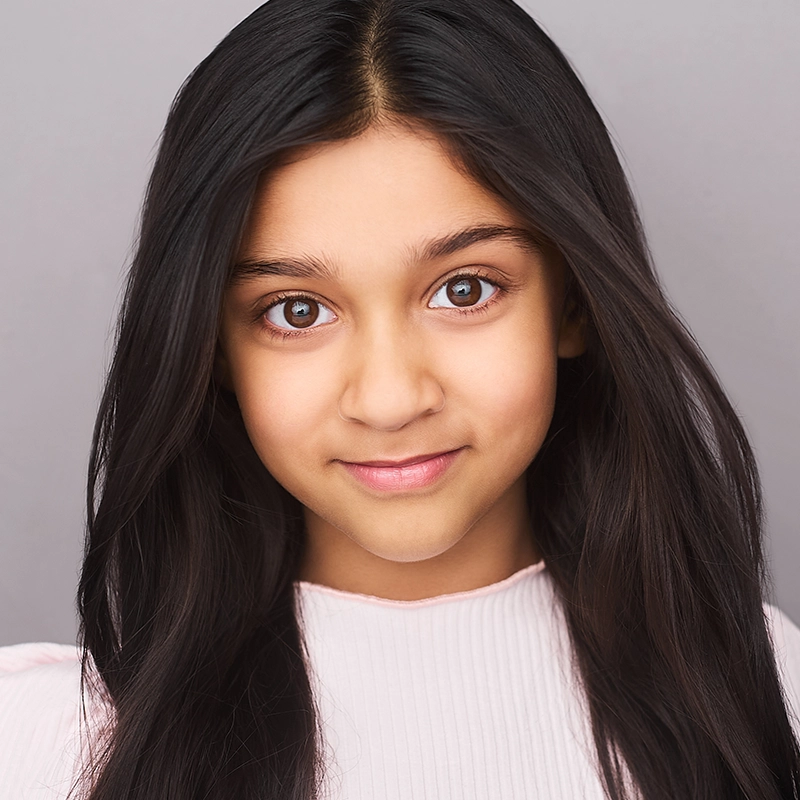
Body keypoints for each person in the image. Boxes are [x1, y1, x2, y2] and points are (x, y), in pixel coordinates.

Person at [1, 0, 799, 797]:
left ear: (574, 302)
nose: (389, 400)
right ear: (210, 348)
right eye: (297, 311)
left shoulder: (763, 696)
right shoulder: (50, 746)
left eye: (465, 290)